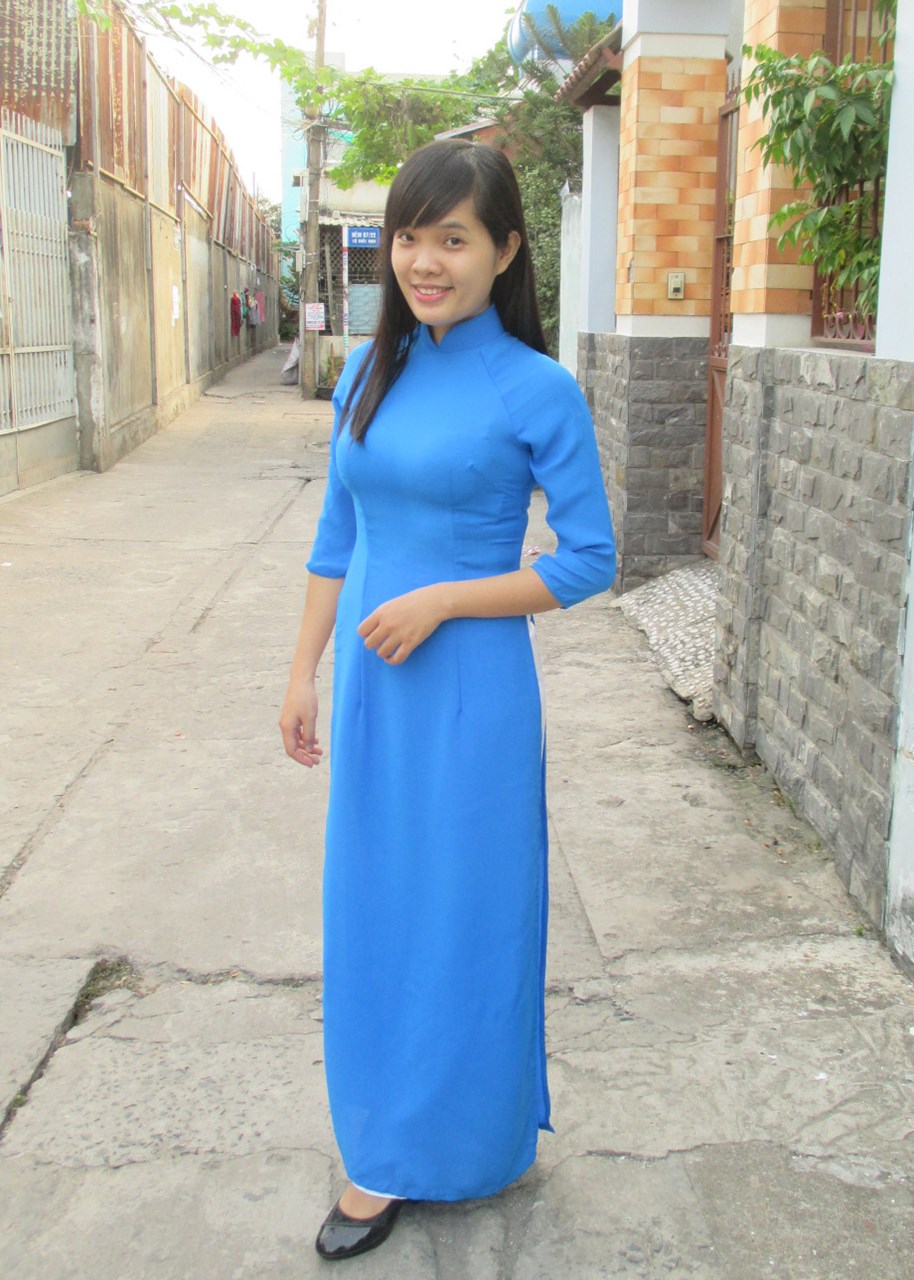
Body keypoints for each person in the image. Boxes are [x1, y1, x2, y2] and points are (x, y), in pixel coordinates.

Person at [279, 139, 616, 1263]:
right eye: (409, 237)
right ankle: (380, 1146)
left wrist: (445, 600)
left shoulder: (536, 388)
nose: (425, 261)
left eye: (453, 239)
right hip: (374, 694)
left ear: (505, 250)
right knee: (373, 910)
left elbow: (589, 560)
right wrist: (302, 670)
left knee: (470, 913)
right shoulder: (365, 373)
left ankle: (468, 1140)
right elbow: (337, 534)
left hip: (473, 696)